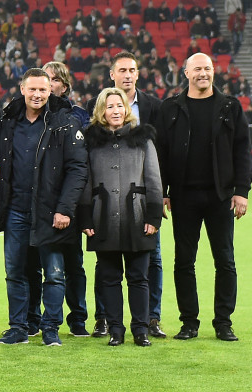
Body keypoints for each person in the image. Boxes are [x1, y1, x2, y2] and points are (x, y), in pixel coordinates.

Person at [155, 53, 252, 342]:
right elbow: (160, 153)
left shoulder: (230, 107)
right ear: (185, 73)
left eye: (207, 68)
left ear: (213, 72)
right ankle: (189, 323)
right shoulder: (170, 108)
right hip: (183, 196)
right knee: (184, 261)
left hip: (220, 196)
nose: (203, 73)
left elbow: (242, 151)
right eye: (197, 68)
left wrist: (242, 192)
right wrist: (162, 192)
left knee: (225, 261)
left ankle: (223, 322)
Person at [0, 68, 88, 347]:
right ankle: (18, 328)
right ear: (22, 89)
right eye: (32, 89)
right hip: (15, 209)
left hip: (51, 211)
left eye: (43, 90)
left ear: (51, 92)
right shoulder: (8, 121)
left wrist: (65, 209)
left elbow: (77, 170)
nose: (37, 95)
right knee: (15, 271)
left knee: (55, 273)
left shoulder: (64, 122)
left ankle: (51, 328)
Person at [79, 88, 163, 347]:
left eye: (119, 106)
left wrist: (154, 216)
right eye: (109, 106)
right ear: (101, 111)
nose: (115, 111)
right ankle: (116, 330)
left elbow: (154, 180)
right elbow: (85, 182)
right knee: (109, 278)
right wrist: (85, 218)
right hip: (102, 217)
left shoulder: (143, 139)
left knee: (139, 277)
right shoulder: (90, 141)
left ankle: (140, 330)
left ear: (126, 109)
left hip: (137, 216)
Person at [105, 51, 164, 337]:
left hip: (141, 209)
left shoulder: (153, 110)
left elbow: (155, 169)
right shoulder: (95, 135)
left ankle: (149, 321)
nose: (128, 74)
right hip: (106, 214)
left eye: (132, 69)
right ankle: (107, 322)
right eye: (122, 70)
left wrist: (156, 206)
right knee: (109, 274)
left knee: (150, 265)